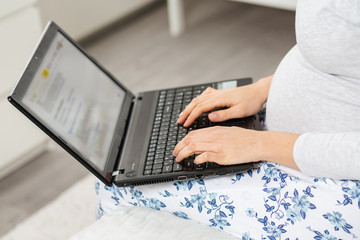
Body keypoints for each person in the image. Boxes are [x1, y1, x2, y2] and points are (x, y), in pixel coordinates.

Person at [95, 1, 360, 239]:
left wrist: (257, 145)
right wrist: (264, 88)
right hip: (288, 142)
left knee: (119, 186)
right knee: (131, 159)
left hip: (333, 177)